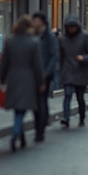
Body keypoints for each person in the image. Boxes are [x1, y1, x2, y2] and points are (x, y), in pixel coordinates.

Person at [0, 16, 46, 152]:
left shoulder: (10, 41)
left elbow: (5, 63)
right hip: (28, 78)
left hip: (13, 78)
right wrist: (41, 82)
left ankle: (22, 136)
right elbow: (38, 65)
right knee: (21, 110)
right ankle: (15, 134)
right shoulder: (34, 42)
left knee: (18, 108)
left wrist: (2, 78)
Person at [58, 15, 88, 128]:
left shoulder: (84, 36)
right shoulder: (63, 39)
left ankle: (82, 116)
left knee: (80, 96)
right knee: (68, 94)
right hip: (68, 70)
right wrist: (61, 72)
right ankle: (66, 118)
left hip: (81, 70)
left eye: (73, 27)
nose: (71, 29)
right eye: (69, 27)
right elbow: (60, 57)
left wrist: (83, 58)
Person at [31, 13, 58, 142]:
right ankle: (40, 123)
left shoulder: (49, 37)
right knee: (36, 102)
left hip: (46, 75)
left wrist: (47, 72)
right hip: (33, 74)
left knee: (41, 100)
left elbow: (53, 56)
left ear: (42, 22)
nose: (34, 23)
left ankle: (40, 131)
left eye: (36, 20)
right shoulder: (32, 35)